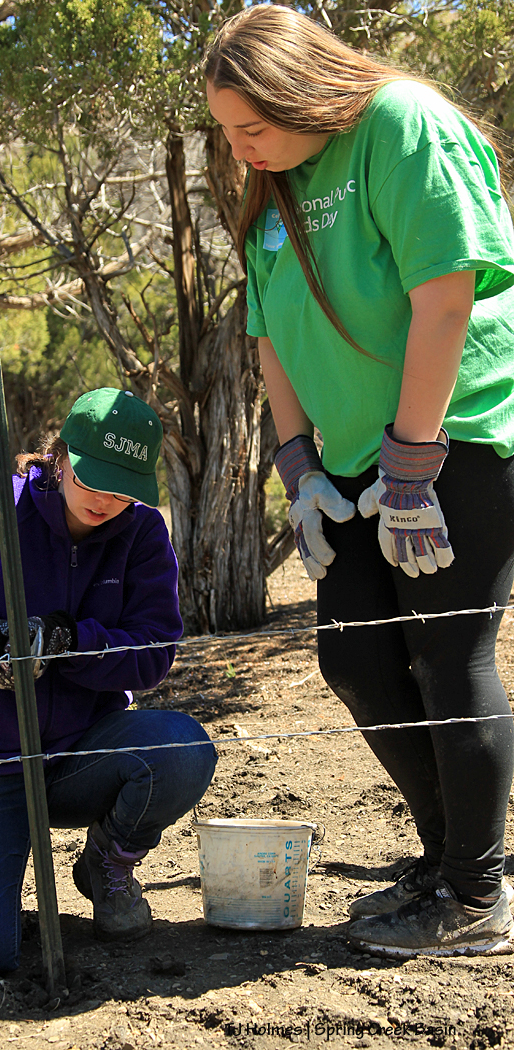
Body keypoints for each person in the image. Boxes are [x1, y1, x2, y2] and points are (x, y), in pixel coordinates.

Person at [204, 5, 514, 958]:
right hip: (342, 464)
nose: (240, 148)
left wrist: (413, 466)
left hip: (452, 438)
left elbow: (446, 296)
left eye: (251, 126)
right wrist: (296, 469)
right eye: (225, 133)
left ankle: (476, 896)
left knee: (445, 657)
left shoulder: (403, 124)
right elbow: (269, 340)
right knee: (356, 661)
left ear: (299, 89)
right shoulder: (275, 181)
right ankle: (448, 862)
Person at [0, 387, 216, 984]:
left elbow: (154, 651)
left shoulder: (142, 534)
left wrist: (68, 642)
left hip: (80, 753)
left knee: (181, 748)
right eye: (94, 480)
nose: (107, 501)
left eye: (125, 488)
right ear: (60, 455)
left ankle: (107, 863)